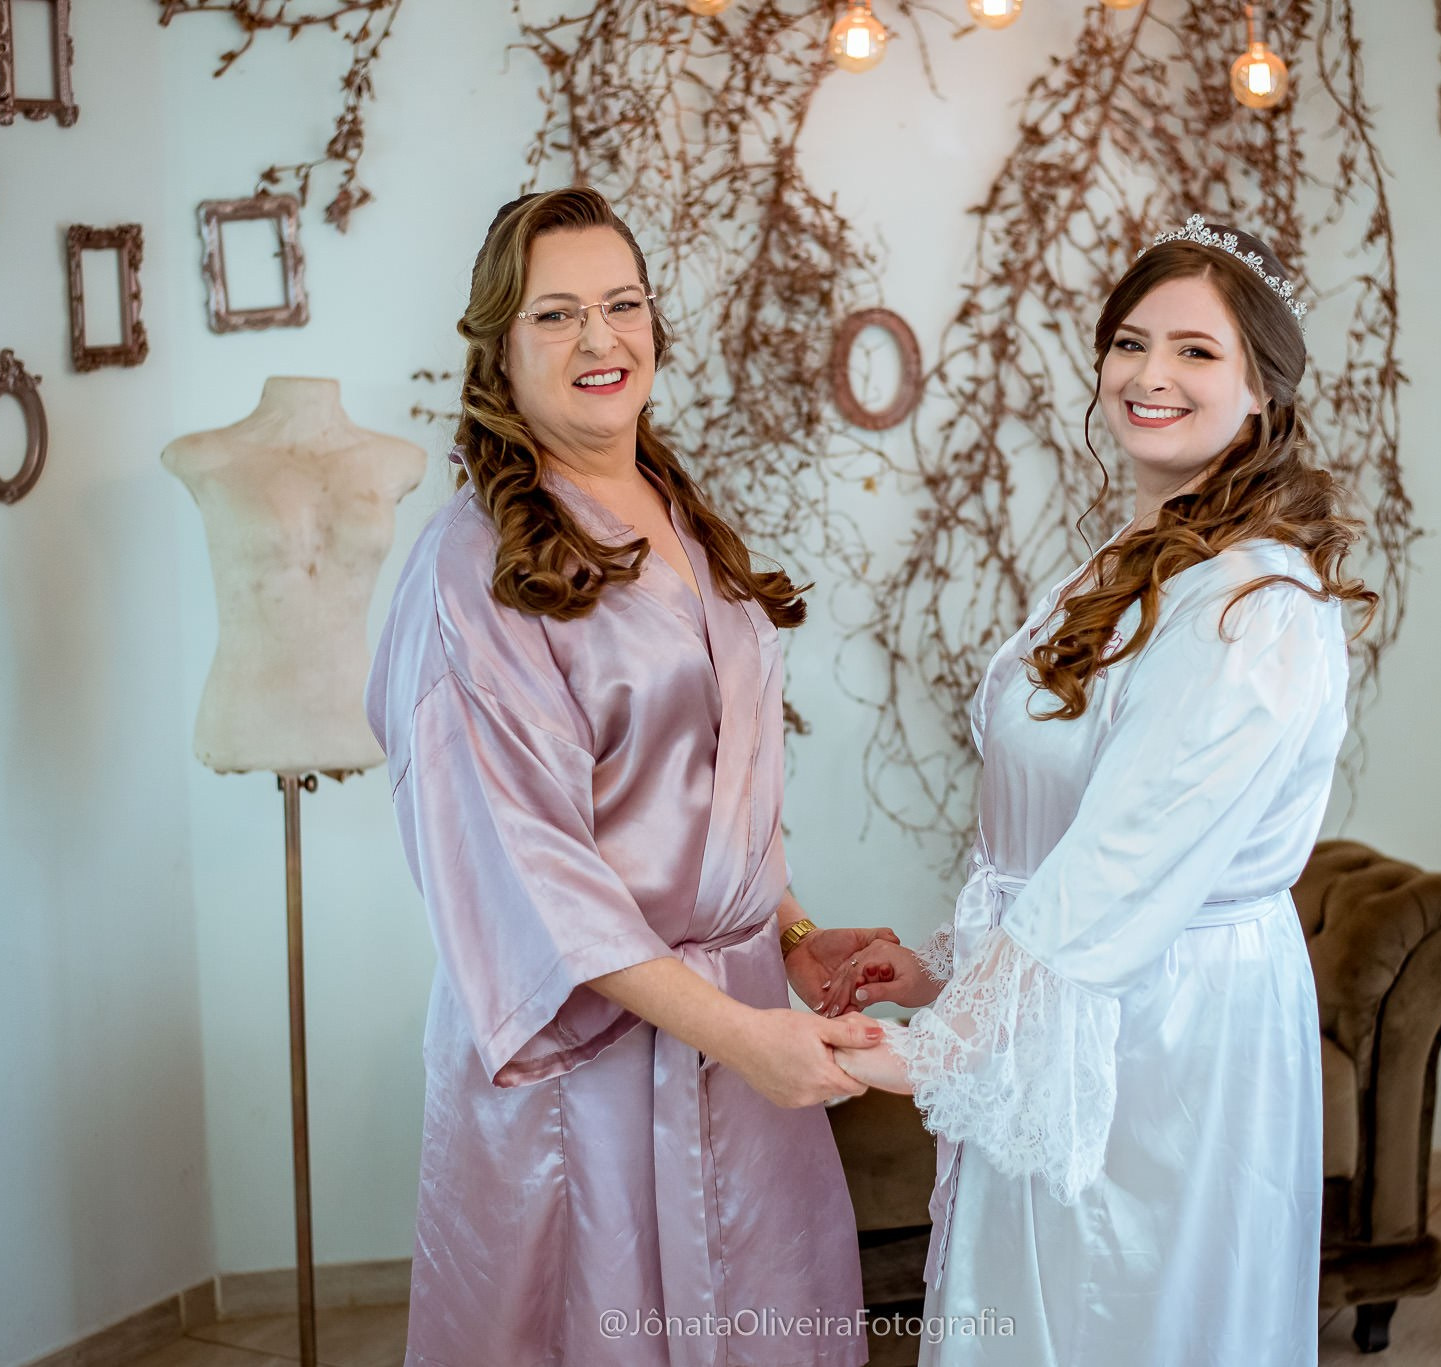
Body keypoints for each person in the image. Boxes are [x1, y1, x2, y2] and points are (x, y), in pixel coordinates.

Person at [829, 217, 1374, 1367]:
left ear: (1261, 392)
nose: (1149, 375)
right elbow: (1055, 838)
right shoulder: (1125, 559)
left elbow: (1124, 855)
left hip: (1171, 1030)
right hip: (1062, 1003)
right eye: (1129, 343)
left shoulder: (1250, 603)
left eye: (1193, 351)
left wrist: (943, 1044)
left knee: (1124, 1317)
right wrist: (944, 979)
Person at [367, 186, 889, 1367]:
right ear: (500, 349)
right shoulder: (474, 565)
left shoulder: (672, 508)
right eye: (556, 315)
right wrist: (739, 1032)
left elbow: (717, 776)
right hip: (591, 1075)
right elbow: (527, 871)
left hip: (739, 1026)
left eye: (623, 304)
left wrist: (793, 932)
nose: (601, 340)